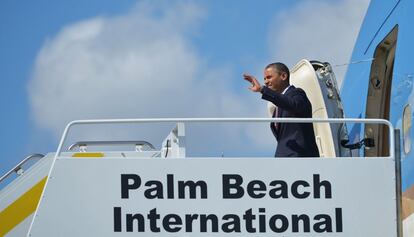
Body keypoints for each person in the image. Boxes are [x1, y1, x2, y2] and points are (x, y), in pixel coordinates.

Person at [243, 62, 319, 157]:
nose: (266, 82)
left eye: (269, 77)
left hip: (300, 158)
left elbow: (292, 105)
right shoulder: (277, 108)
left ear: (283, 76)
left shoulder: (297, 94)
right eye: (264, 79)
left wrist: (262, 90)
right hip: (283, 161)